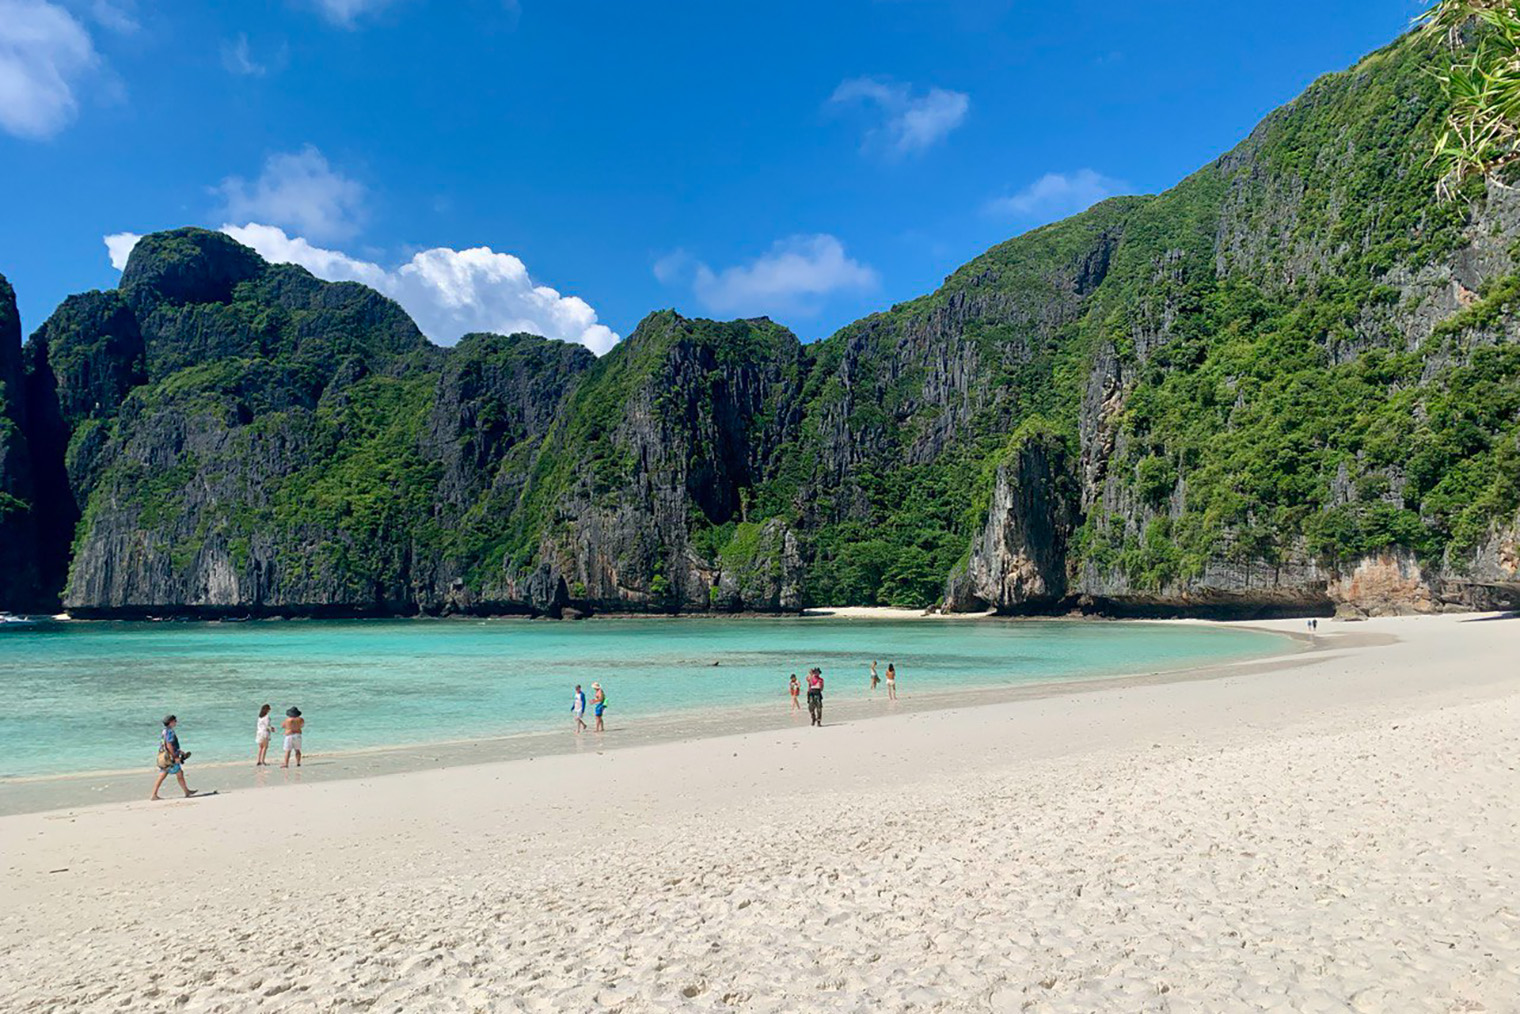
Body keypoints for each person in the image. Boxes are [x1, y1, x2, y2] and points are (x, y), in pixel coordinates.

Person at [151, 715, 197, 801]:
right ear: (171, 722)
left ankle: (186, 791)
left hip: (164, 757)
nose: (176, 722)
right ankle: (154, 794)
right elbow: (169, 745)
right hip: (170, 758)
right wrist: (175, 756)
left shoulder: (164, 731)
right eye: (175, 720)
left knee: (178, 773)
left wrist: (179, 751)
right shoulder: (170, 732)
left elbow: (165, 745)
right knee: (168, 775)